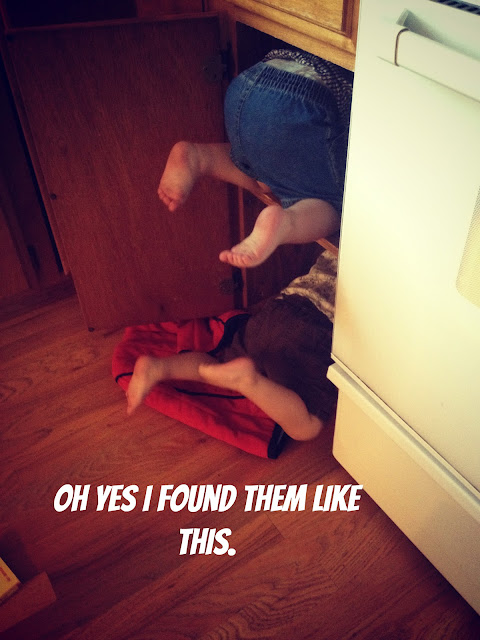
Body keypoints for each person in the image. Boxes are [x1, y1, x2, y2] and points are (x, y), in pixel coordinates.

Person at [158, 49, 353, 268]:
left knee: (263, 180)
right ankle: (287, 222)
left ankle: (201, 158)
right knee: (337, 205)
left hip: (248, 86)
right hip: (307, 101)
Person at [126, 250, 338, 442]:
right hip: (317, 328)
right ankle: (248, 381)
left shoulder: (344, 234)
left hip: (279, 308)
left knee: (217, 364)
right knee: (306, 426)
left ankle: (159, 368)